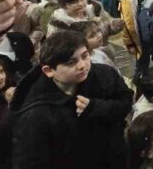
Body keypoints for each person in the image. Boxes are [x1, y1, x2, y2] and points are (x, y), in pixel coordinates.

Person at [10, 31, 132, 169]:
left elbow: (126, 102)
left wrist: (98, 108)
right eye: (71, 62)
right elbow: (30, 161)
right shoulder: (34, 114)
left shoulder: (105, 74)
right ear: (49, 70)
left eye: (85, 56)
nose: (82, 65)